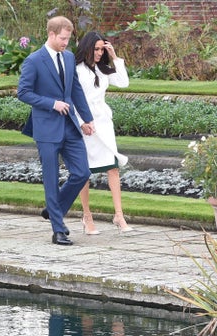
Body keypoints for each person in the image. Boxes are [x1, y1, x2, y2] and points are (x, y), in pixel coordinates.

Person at [18, 16, 95, 246]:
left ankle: (54, 209)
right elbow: (23, 93)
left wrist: (86, 119)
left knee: (82, 172)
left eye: (68, 39)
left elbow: (75, 90)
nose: (66, 43)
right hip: (46, 129)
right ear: (51, 34)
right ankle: (58, 230)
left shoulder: (69, 57)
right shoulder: (34, 61)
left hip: (70, 126)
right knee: (51, 180)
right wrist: (52, 103)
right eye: (62, 38)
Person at [73, 31, 132, 234]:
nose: (99, 53)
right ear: (87, 48)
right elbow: (73, 99)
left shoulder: (103, 69)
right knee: (84, 173)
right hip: (86, 125)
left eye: (101, 49)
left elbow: (123, 82)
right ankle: (87, 217)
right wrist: (82, 123)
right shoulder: (77, 70)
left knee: (113, 168)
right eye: (96, 49)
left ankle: (119, 215)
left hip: (104, 124)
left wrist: (114, 56)